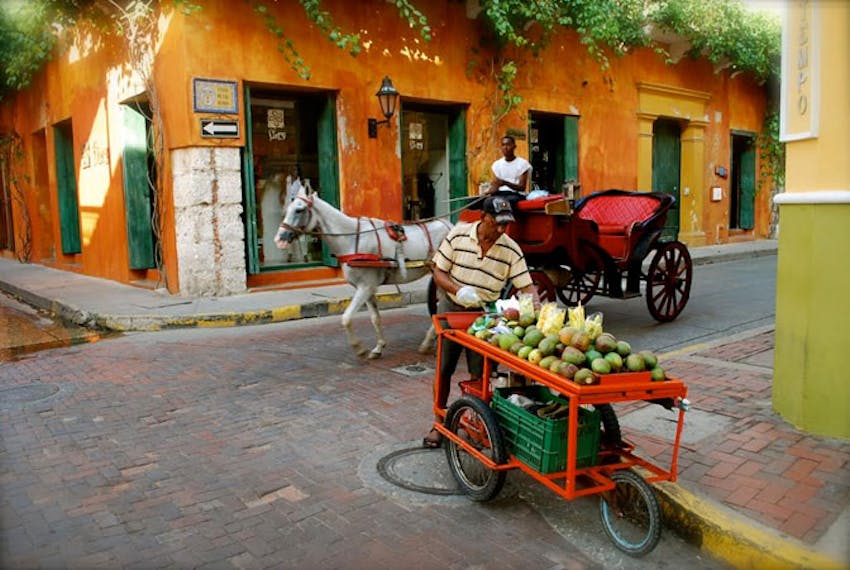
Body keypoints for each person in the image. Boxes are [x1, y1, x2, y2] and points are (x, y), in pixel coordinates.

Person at [423, 195, 539, 448]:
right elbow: (438, 270)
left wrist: (535, 307)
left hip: (485, 316)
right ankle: (438, 423)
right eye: (496, 223)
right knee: (444, 368)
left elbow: (527, 287)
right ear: (483, 217)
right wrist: (457, 288)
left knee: (482, 374)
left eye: (505, 225)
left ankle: (478, 422)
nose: (501, 230)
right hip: (452, 310)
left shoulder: (510, 249)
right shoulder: (458, 235)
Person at [487, 135, 532, 206]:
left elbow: (522, 187)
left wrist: (505, 183)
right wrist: (491, 190)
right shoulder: (497, 164)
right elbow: (496, 184)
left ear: (514, 147)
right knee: (487, 202)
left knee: (505, 202)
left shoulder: (523, 164)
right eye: (503, 145)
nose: (505, 147)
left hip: (516, 195)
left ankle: (508, 217)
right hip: (500, 194)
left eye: (508, 145)